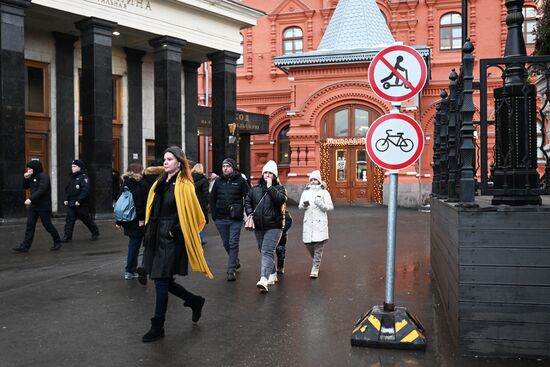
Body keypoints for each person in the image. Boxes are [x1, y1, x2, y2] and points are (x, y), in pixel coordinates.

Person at [141, 146, 212, 343]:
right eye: (164, 159)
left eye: (170, 159)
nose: (165, 162)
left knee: (161, 281)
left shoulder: (185, 185)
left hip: (171, 238)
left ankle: (158, 325)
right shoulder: (160, 183)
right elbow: (152, 208)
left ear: (179, 162)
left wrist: (176, 231)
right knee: (164, 281)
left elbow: (196, 215)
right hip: (156, 236)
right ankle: (194, 301)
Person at [245, 160, 287, 292]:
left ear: (274, 176)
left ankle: (264, 279)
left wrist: (270, 188)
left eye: (270, 173)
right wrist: (250, 213)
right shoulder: (255, 189)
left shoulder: (279, 189)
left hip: (274, 226)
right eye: (265, 172)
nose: (267, 175)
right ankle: (273, 273)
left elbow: (280, 200)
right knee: (263, 250)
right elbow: (248, 201)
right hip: (259, 226)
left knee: (267, 251)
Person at [210, 158, 249, 281]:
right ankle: (235, 260)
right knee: (226, 243)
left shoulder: (241, 181)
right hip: (220, 218)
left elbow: (248, 197)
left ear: (233, 168)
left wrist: (248, 213)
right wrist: (214, 215)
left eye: (227, 166)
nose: (225, 168)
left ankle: (231, 270)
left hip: (235, 218)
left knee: (233, 243)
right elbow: (212, 198)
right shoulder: (218, 181)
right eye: (223, 166)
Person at [13, 160, 63, 253]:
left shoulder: (44, 177)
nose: (28, 170)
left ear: (35, 168)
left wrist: (30, 199)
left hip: (43, 206)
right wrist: (25, 178)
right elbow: (25, 187)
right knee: (30, 225)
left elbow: (41, 190)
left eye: (30, 168)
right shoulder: (31, 176)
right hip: (34, 206)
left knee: (47, 225)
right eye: (28, 168)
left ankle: (57, 241)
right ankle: (25, 246)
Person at [298, 170, 334, 278]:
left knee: (318, 246)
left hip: (319, 223)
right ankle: (316, 261)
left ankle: (315, 268)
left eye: (315, 180)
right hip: (308, 223)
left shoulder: (324, 192)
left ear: (319, 181)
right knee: (308, 245)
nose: (313, 182)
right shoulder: (306, 192)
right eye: (311, 180)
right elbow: (300, 206)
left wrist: (321, 205)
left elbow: (330, 207)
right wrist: (304, 205)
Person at [136, 159, 164, 285]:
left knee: (149, 243)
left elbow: (140, 201)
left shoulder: (143, 181)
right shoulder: (164, 180)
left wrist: (141, 218)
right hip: (163, 217)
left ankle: (145, 265)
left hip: (149, 217)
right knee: (163, 245)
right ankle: (161, 271)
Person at [115, 163, 145, 280]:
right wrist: (142, 218)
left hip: (126, 219)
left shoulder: (125, 183)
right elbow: (140, 204)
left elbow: (119, 203)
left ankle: (129, 271)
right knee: (136, 245)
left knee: (133, 244)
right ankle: (130, 270)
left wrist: (118, 221)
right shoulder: (139, 184)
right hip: (137, 220)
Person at [61, 159, 100, 242]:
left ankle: (95, 232)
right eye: (72, 166)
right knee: (69, 221)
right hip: (72, 203)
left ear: (80, 167)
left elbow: (85, 190)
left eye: (74, 166)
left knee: (87, 220)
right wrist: (66, 199)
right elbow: (68, 189)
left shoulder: (84, 177)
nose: (72, 168)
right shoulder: (72, 177)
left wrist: (79, 200)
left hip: (81, 205)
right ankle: (67, 237)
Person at [191, 163, 209, 246]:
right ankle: (200, 239)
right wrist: (207, 203)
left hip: (190, 202)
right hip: (200, 203)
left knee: (191, 221)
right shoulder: (204, 180)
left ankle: (192, 238)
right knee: (201, 221)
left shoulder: (189, 178)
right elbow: (206, 194)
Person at [276, 209, 292, 274]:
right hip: (270, 232)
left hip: (281, 235)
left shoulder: (283, 210)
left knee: (280, 250)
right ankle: (271, 269)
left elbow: (289, 220)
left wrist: (282, 230)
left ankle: (280, 266)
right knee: (269, 252)